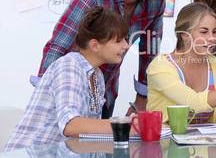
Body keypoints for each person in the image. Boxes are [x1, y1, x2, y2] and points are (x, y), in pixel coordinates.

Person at [33, 0, 165, 117]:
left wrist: (142, 99)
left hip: (105, 88)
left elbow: (150, 51)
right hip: (68, 88)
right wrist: (41, 99)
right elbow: (59, 45)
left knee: (97, 141)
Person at [5, 8, 137, 151]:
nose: (126, 45)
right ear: (95, 45)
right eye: (119, 41)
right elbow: (71, 125)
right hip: (28, 153)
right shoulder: (69, 66)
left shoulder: (96, 75)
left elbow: (86, 134)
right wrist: (126, 126)